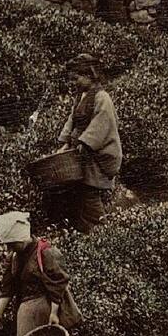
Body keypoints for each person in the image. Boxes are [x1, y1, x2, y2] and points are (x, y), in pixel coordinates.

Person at [0, 210, 83, 336]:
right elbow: (8, 286)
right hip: (26, 314)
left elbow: (58, 283)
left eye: (12, 244)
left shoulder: (45, 252)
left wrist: (54, 313)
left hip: (45, 308)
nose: (9, 248)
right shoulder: (14, 257)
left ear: (21, 238)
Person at [51, 57, 122, 232]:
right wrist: (65, 142)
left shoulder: (102, 97)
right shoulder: (80, 96)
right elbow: (72, 120)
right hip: (81, 153)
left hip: (94, 155)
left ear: (89, 75)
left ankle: (104, 232)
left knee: (90, 194)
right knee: (80, 193)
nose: (73, 83)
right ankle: (85, 230)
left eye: (76, 78)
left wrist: (84, 142)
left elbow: (103, 123)